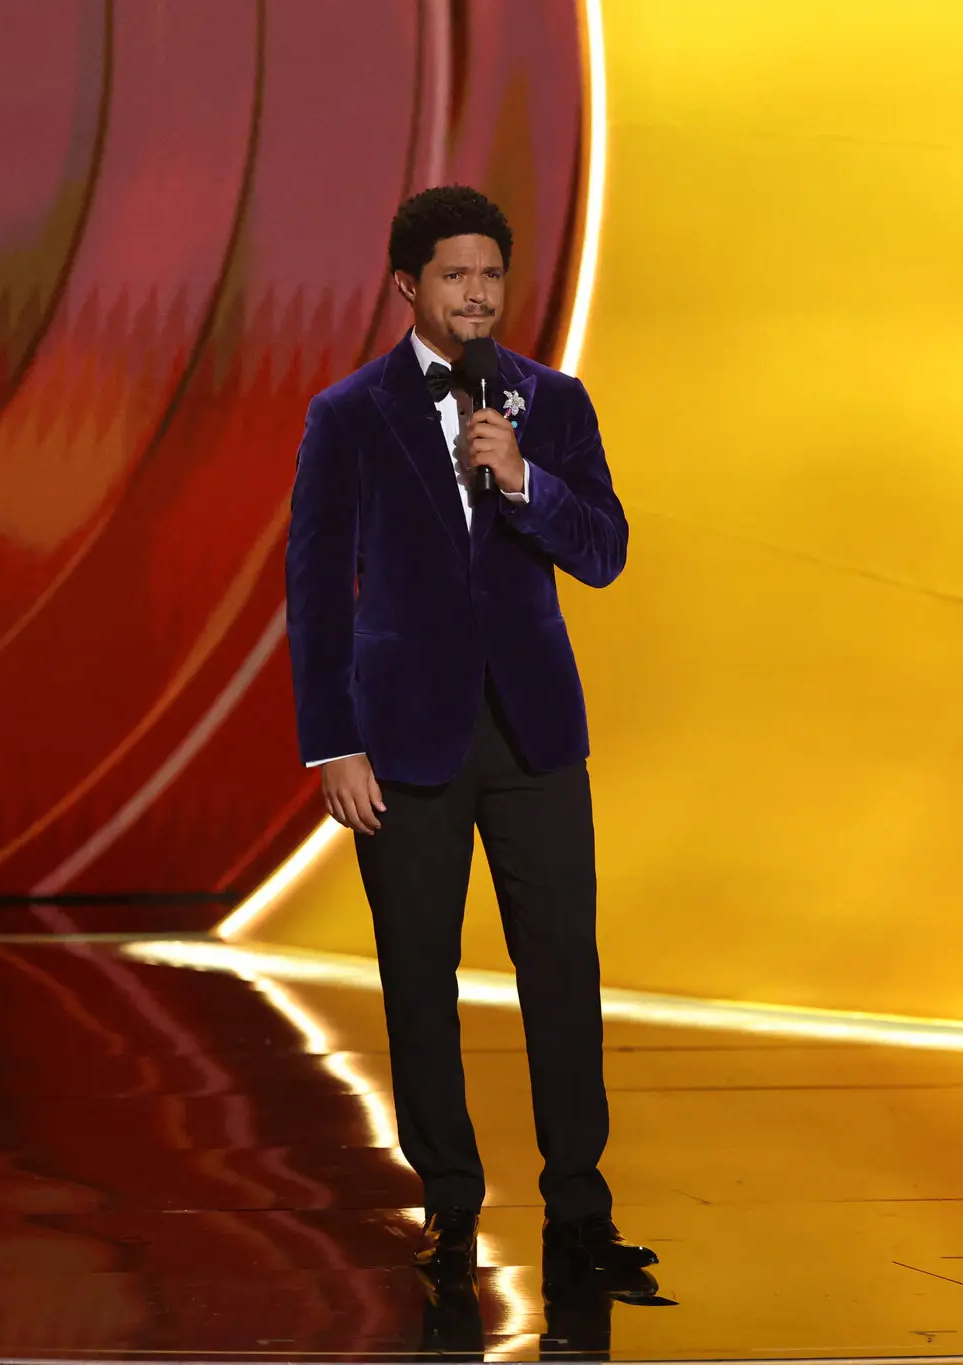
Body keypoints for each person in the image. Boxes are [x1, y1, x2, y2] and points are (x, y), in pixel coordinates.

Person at [285, 185, 654, 1279]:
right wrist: (330, 744)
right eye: (455, 275)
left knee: (560, 965)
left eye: (491, 274)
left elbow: (603, 550)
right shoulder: (347, 415)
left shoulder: (552, 402)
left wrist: (520, 476)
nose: (478, 293)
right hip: (401, 743)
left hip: (535, 737)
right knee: (416, 974)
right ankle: (448, 1202)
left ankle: (577, 1207)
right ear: (409, 285)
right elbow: (315, 590)